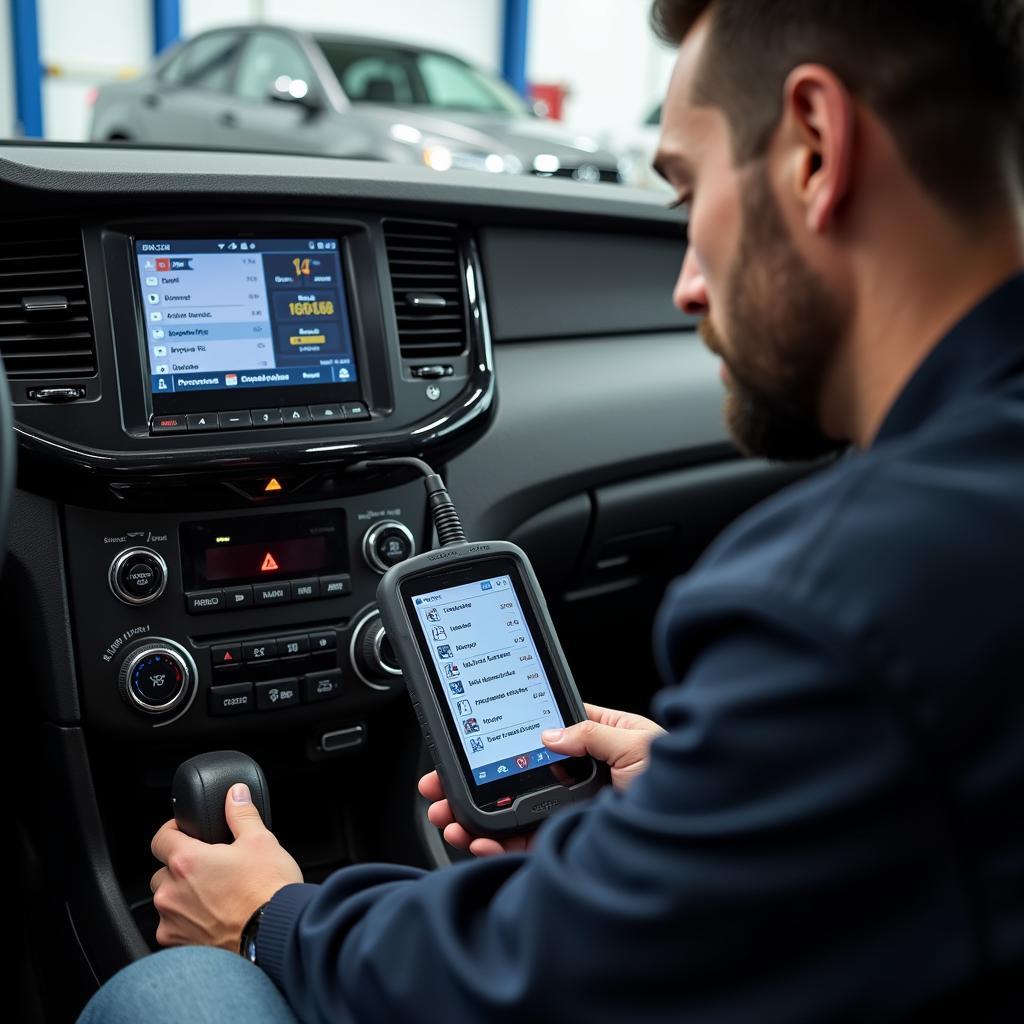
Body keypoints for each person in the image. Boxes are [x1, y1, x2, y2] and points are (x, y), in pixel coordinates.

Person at [78, 1, 1024, 1021]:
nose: (684, 287)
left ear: (813, 149)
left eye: (689, 192)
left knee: (174, 993)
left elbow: (559, 974)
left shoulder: (847, 596)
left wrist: (274, 916)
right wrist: (714, 793)